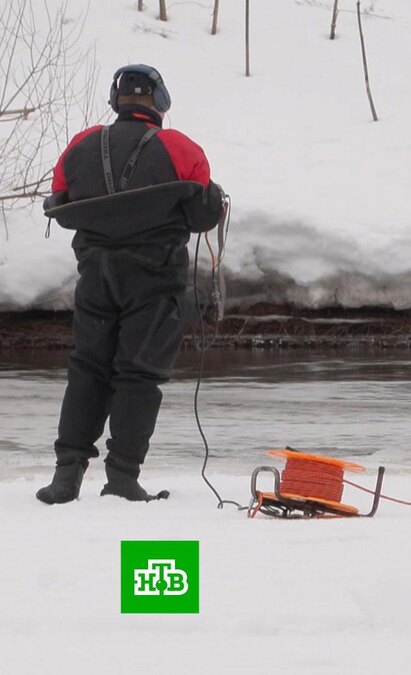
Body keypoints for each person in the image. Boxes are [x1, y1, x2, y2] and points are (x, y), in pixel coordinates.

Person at [35, 64, 226, 504]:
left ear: (115, 101)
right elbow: (202, 215)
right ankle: (121, 477)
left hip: (97, 280)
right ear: (160, 103)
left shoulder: (80, 146)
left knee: (88, 368)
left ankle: (66, 477)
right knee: (138, 375)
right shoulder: (180, 148)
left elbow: (63, 205)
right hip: (154, 283)